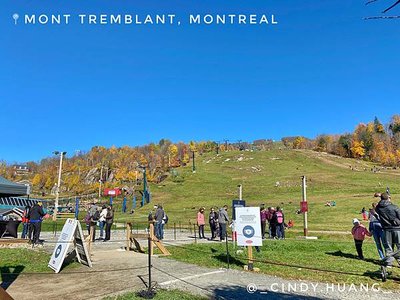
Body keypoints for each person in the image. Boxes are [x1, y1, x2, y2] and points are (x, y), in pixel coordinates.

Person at [375, 192, 400, 266]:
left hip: (386, 229)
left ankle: (389, 263)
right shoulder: (394, 207)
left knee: (388, 246)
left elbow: (378, 209)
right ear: (388, 198)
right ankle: (398, 259)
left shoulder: (378, 208)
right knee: (399, 245)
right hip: (397, 228)